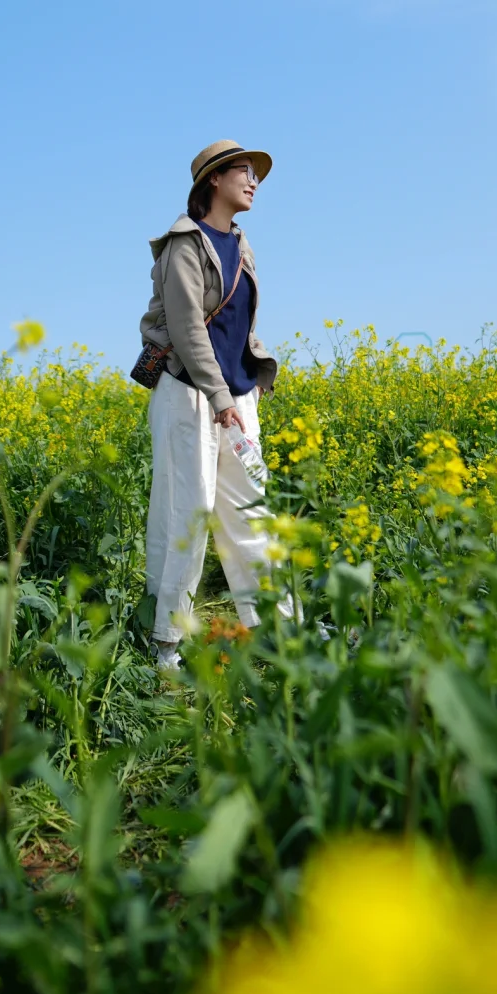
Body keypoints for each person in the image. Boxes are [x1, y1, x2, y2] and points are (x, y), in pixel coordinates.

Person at [138, 138, 285, 668]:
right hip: (189, 394)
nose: (253, 181)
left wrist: (252, 374)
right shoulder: (185, 244)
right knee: (190, 513)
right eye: (243, 172)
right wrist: (220, 396)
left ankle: (276, 628)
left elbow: (234, 324)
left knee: (252, 510)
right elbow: (187, 329)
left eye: (255, 175)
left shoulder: (241, 245)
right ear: (213, 181)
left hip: (235, 398)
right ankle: (167, 643)